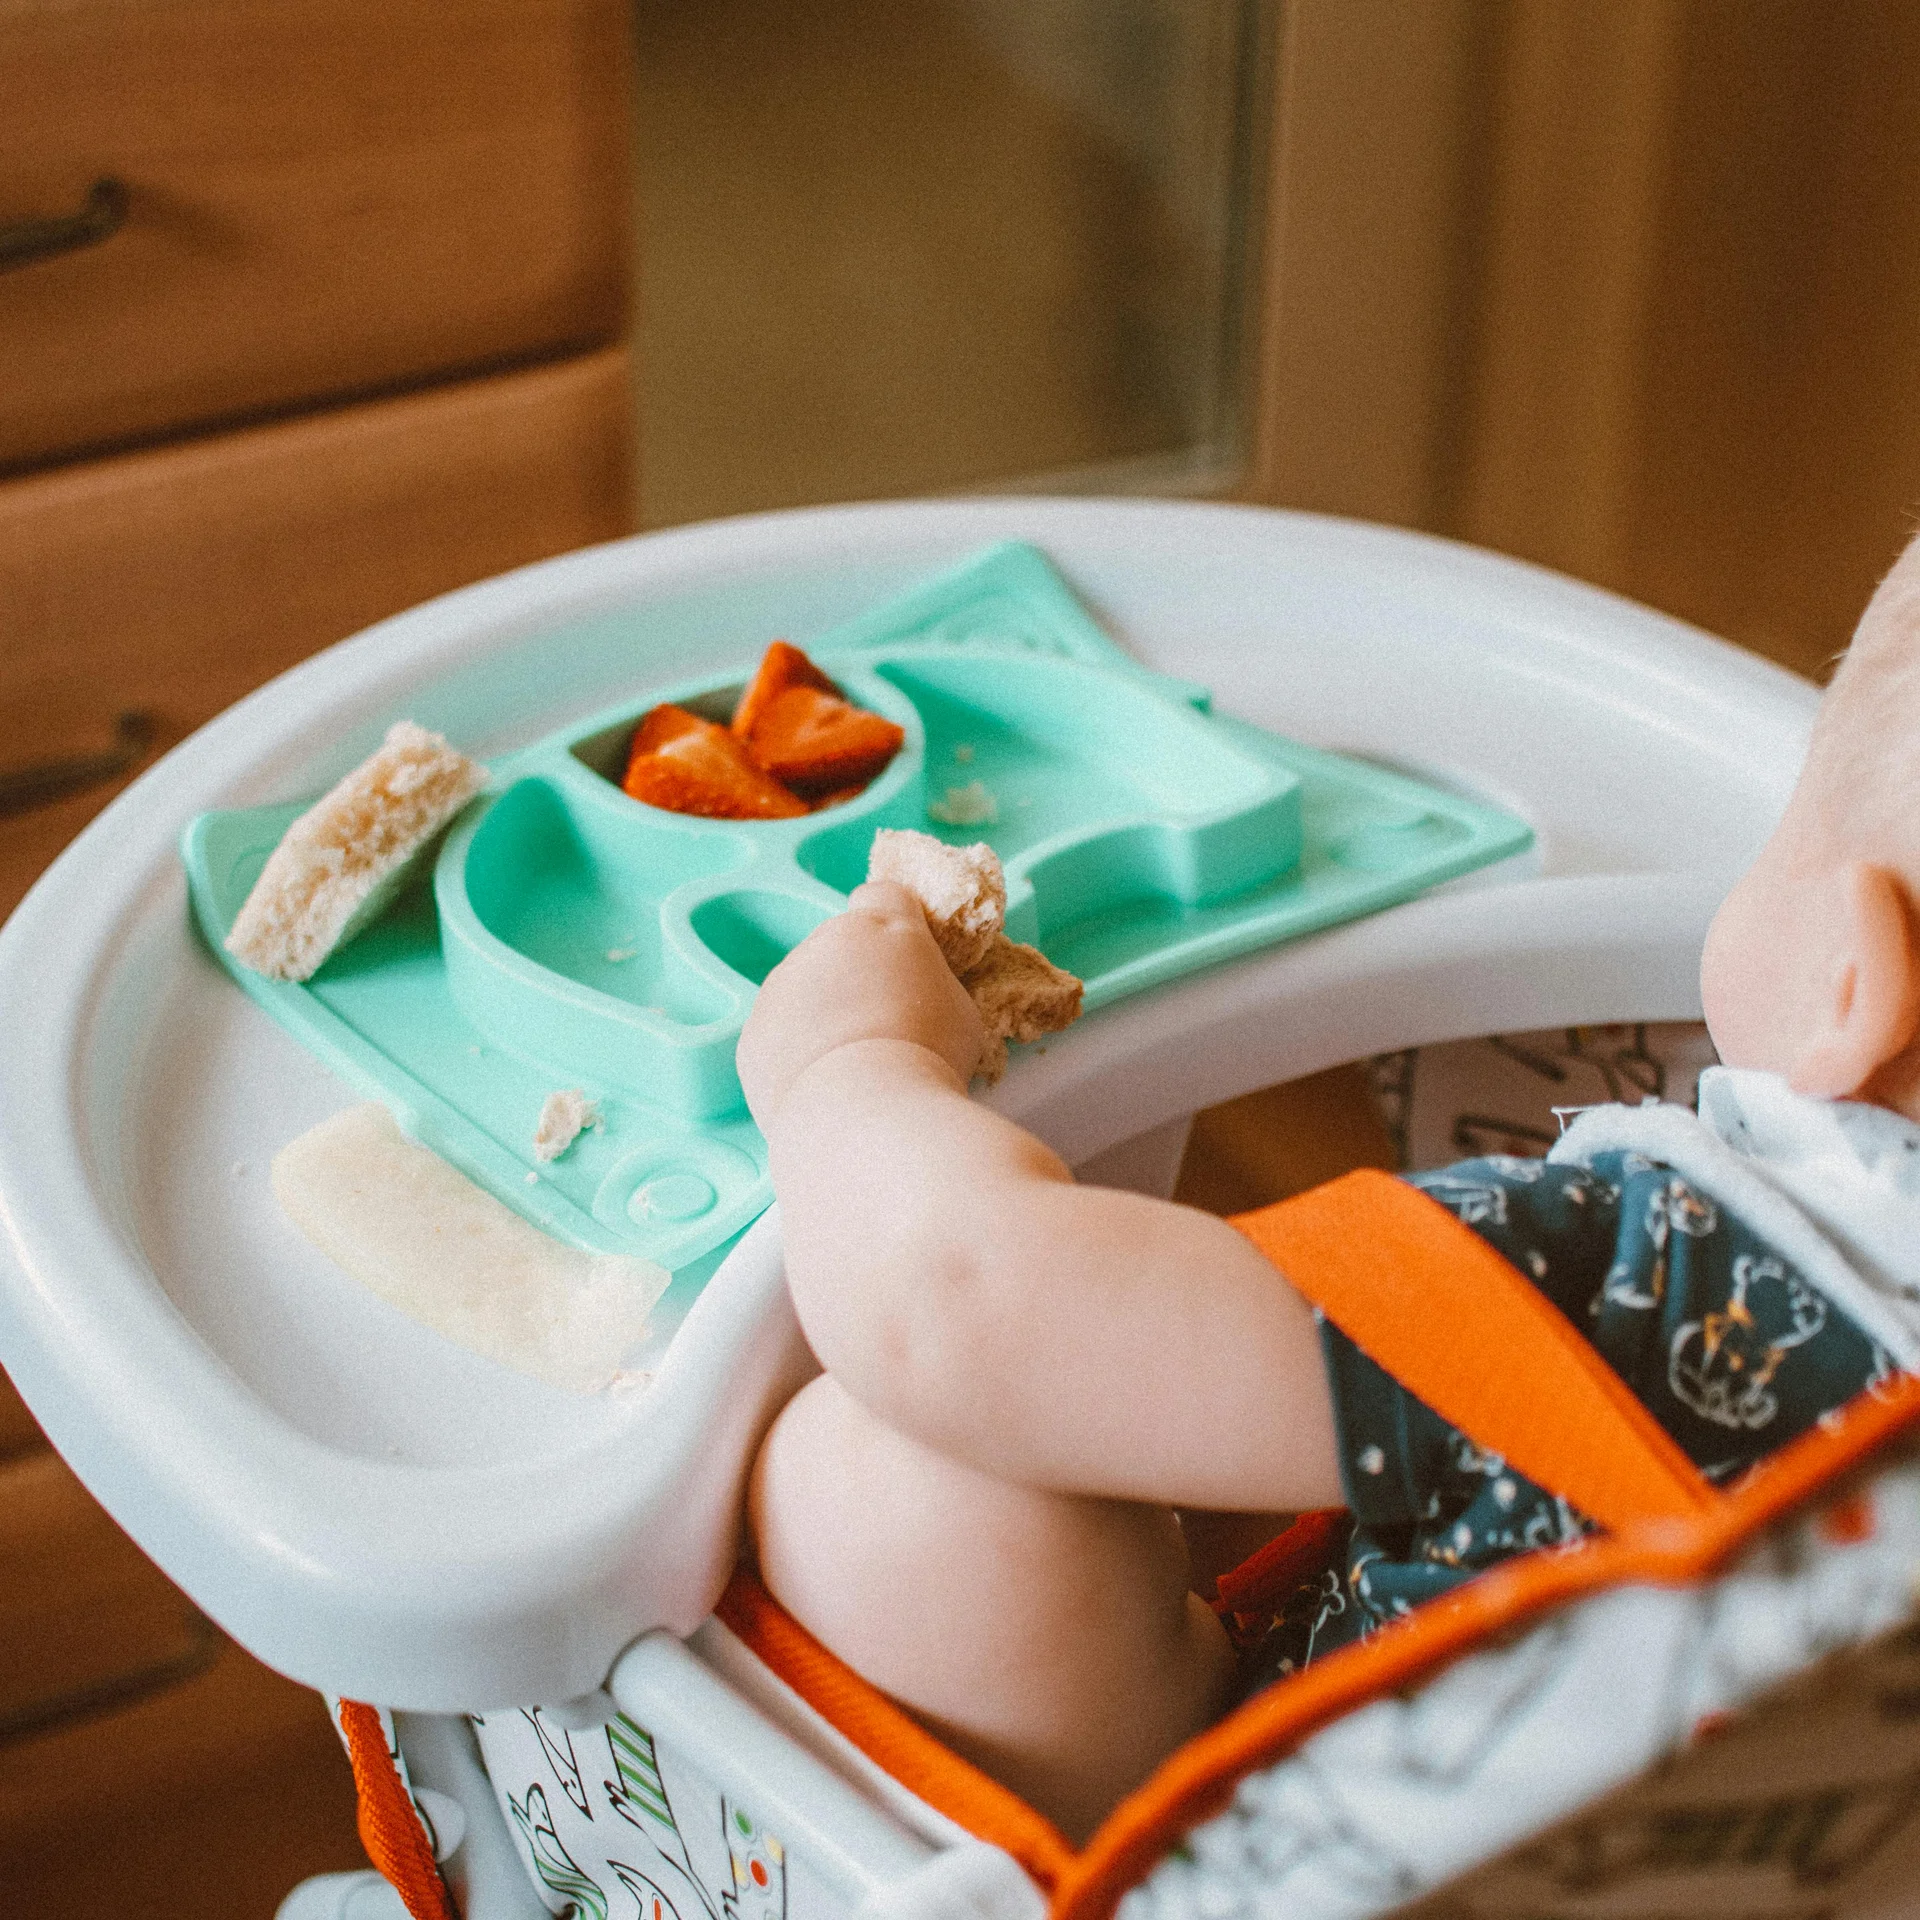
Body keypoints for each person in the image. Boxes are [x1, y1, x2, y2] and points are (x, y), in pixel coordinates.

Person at [733, 535, 1920, 1845]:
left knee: (884, 1492)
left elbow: (956, 1306)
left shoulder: (1667, 1278)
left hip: (1302, 1853)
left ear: (1851, 982)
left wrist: (848, 1063)